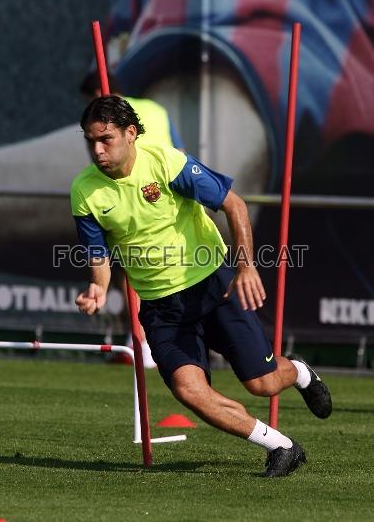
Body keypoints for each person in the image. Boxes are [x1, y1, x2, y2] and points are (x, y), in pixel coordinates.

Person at [71, 96, 332, 477]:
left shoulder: (166, 162)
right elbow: (98, 254)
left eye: (105, 139)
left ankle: (300, 371)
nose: (97, 150)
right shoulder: (84, 191)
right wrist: (98, 288)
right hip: (162, 308)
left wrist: (245, 268)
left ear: (130, 134)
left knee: (262, 383)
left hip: (214, 286)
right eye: (90, 140)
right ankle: (281, 446)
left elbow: (235, 205)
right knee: (190, 392)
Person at [80, 72, 184, 368]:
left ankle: (141, 341)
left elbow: (103, 168)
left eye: (91, 101)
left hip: (141, 201)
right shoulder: (156, 109)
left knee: (131, 272)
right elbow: (182, 153)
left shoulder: (108, 124)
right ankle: (148, 341)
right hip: (174, 203)